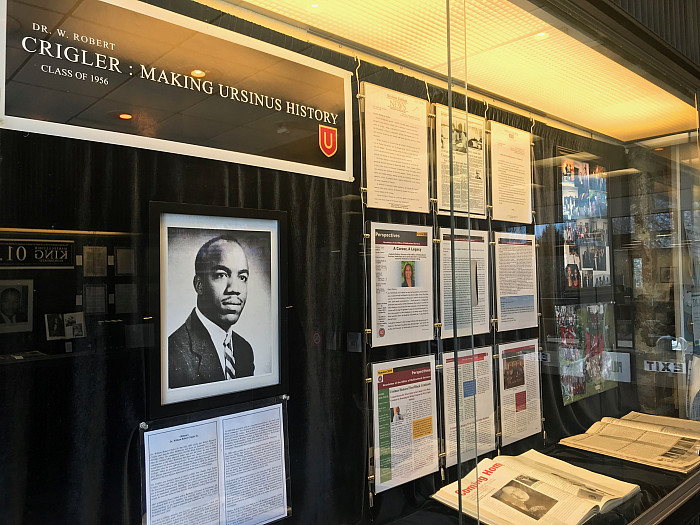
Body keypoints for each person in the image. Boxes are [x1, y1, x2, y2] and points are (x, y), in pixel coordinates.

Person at [168, 236, 255, 388]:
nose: (234, 289)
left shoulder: (244, 349)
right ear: (199, 285)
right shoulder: (172, 354)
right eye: (221, 275)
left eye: (242, 277)